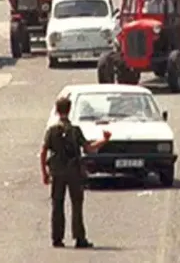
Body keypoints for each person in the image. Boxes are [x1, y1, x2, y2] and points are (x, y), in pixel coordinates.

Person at [40, 96, 111, 248]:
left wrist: (44, 173)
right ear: (69, 109)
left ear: (57, 110)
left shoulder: (52, 131)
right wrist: (104, 140)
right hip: (74, 172)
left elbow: (43, 151)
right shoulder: (75, 130)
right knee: (77, 205)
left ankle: (57, 238)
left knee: (57, 204)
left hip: (57, 171)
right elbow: (89, 148)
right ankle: (79, 238)